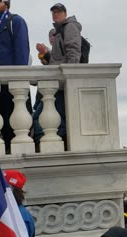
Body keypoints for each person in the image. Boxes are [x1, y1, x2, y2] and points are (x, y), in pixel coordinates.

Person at [33, 3, 83, 144]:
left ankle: (53, 142)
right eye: (53, 12)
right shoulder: (60, 30)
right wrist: (45, 54)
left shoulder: (69, 27)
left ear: (65, 13)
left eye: (58, 12)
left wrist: (69, 77)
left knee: (47, 116)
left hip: (62, 82)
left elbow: (73, 52)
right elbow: (57, 59)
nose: (55, 14)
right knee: (56, 116)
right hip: (57, 82)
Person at [0, 0, 30, 154]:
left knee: (15, 116)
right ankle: (4, 148)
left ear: (6, 3)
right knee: (1, 115)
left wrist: (20, 76)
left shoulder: (16, 21)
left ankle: (15, 150)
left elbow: (22, 49)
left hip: (12, 78)